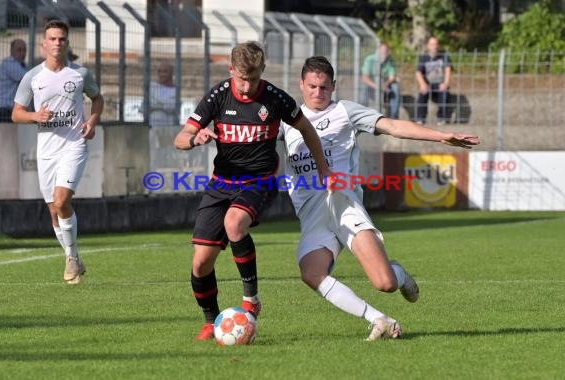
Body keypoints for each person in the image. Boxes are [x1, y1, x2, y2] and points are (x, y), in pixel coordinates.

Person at [279, 56, 479, 340]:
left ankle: (400, 274)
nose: (317, 93)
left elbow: (394, 126)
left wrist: (440, 136)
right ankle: (379, 319)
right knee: (311, 274)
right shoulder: (286, 121)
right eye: (312, 86)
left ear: (334, 86)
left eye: (324, 87)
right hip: (313, 215)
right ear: (301, 85)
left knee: (384, 283)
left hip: (345, 207)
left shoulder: (345, 112)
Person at [174, 41, 332, 340]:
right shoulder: (218, 96)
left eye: (254, 79)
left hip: (260, 180)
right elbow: (181, 137)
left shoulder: (275, 98)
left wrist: (323, 168)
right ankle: (211, 321)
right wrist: (196, 138)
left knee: (234, 224)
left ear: (263, 70)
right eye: (241, 79)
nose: (246, 87)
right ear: (231, 69)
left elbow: (307, 129)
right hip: (222, 183)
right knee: (201, 261)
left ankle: (251, 299)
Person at [12, 20, 104, 285]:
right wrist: (35, 115)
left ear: (67, 42)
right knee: (54, 210)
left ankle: (71, 258)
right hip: (46, 148)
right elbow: (16, 113)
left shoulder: (80, 74)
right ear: (43, 44)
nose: (57, 43)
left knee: (62, 201)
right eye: (52, 39)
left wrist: (92, 121)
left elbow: (97, 98)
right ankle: (73, 256)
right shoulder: (33, 77)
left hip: (74, 144)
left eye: (61, 39)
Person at [415, 36, 452, 125]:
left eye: (436, 44)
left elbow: (448, 70)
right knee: (422, 92)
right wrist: (422, 84)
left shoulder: (444, 56)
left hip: (440, 83)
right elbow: (418, 73)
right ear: (428, 46)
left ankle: (441, 118)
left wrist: (445, 83)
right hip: (428, 84)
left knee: (444, 93)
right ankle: (420, 118)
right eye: (432, 44)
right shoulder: (423, 58)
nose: (434, 46)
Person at [360, 42, 401, 118]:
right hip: (372, 87)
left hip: (385, 87)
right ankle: (361, 115)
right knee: (364, 87)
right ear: (378, 50)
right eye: (382, 51)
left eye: (386, 51)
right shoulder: (369, 59)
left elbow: (392, 77)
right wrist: (377, 86)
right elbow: (364, 78)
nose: (384, 53)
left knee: (395, 87)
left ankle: (394, 117)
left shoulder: (390, 61)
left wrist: (386, 84)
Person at [0, 39, 28, 122]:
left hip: (11, 109)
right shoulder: (9, 63)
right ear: (11, 51)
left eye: (24, 50)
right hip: (4, 110)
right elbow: (27, 80)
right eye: (19, 50)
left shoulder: (22, 65)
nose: (22, 53)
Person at [148, 62, 178, 127]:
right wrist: (165, 105)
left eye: (165, 72)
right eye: (159, 71)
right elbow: (146, 106)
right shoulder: (152, 86)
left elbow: (173, 107)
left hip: (169, 126)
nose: (161, 74)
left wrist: (156, 104)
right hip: (153, 126)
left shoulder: (175, 90)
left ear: (171, 73)